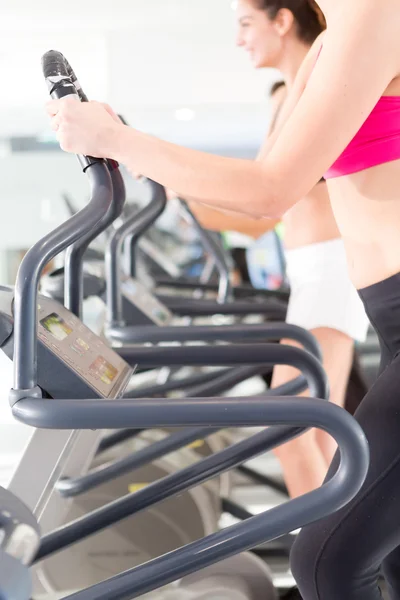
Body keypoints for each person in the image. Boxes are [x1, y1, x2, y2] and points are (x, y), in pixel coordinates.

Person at [47, 0, 400, 595]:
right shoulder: (333, 39)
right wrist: (129, 144)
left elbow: (270, 193)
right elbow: (256, 185)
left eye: (246, 20)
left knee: (328, 560)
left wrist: (120, 138)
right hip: (387, 318)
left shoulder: (376, 12)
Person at [173, 0, 370, 498]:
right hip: (314, 270)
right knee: (318, 433)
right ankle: (336, 557)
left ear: (282, 21)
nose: (240, 39)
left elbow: (260, 202)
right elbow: (255, 217)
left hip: (330, 268)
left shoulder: (315, 90)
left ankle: (325, 563)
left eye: (246, 24)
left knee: (291, 429)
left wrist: (168, 174)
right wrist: (177, 191)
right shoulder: (289, 95)